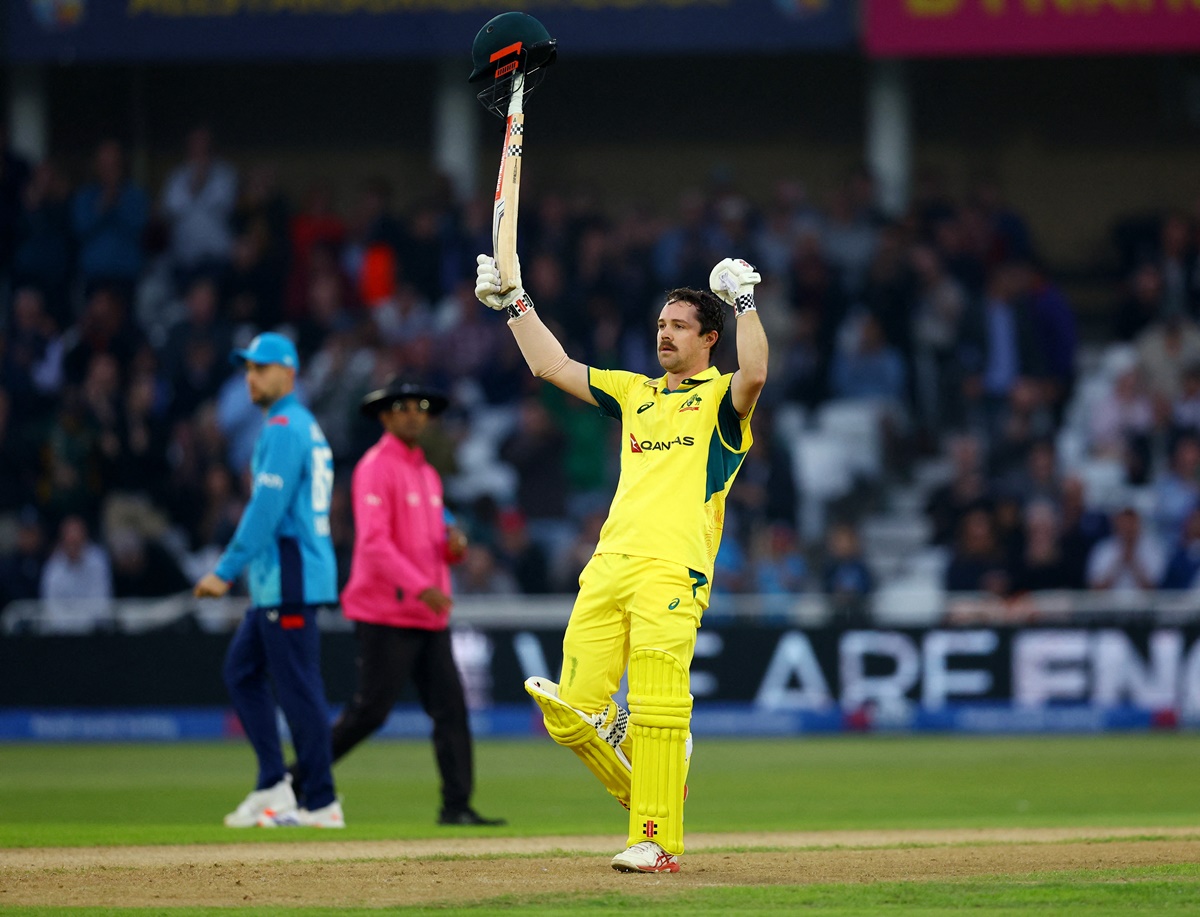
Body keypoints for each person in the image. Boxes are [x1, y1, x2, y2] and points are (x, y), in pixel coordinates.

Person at [475, 251, 768, 873]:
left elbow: (756, 374)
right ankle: (648, 772)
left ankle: (657, 839)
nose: (664, 334)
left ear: (709, 338)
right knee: (572, 712)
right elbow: (550, 365)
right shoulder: (634, 393)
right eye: (661, 325)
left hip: (673, 567)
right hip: (609, 563)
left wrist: (744, 300)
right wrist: (514, 304)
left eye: (679, 326)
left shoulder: (721, 401)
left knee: (660, 703)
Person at [296, 378, 504, 827]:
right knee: (370, 712)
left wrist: (455, 546)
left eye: (420, 407)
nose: (413, 414)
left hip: (426, 612)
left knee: (450, 708)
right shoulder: (374, 468)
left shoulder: (426, 473)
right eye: (403, 407)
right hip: (386, 611)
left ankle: (457, 806)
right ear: (385, 416)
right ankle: (297, 782)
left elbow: (437, 543)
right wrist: (421, 585)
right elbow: (372, 544)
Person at [192, 332, 343, 829]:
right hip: (281, 578)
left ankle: (320, 803)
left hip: (290, 574)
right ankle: (273, 784)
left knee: (298, 690)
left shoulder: (283, 426)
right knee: (242, 672)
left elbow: (266, 508)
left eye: (260, 367)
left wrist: (224, 570)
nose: (250, 376)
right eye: (248, 368)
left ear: (288, 373)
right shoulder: (299, 424)